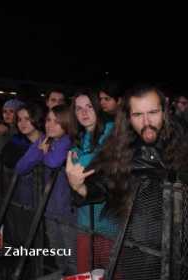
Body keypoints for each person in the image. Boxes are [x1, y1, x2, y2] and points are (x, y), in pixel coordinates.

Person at [66, 84, 188, 278]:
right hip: (140, 246)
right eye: (137, 115)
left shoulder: (185, 137)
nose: (146, 122)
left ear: (165, 110)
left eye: (153, 112)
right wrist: (79, 186)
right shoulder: (120, 147)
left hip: (184, 243)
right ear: (128, 117)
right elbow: (102, 185)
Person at [15, 105, 75, 275]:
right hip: (48, 208)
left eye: (57, 122)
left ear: (67, 123)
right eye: (48, 120)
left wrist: (44, 153)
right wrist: (41, 151)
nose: (51, 125)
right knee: (59, 255)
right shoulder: (44, 140)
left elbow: (54, 162)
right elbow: (20, 167)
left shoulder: (68, 141)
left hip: (67, 211)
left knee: (73, 257)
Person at [68, 89, 117, 273]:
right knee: (84, 273)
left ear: (98, 108)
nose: (84, 112)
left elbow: (88, 165)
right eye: (78, 108)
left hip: (109, 222)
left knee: (113, 272)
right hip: (84, 220)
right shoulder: (79, 138)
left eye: (89, 106)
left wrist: (76, 164)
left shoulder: (112, 132)